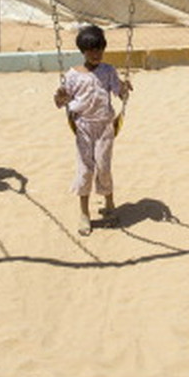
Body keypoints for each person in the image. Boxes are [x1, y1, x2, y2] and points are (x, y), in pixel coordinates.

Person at [54, 24, 131, 236]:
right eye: (91, 50)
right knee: (85, 170)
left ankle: (109, 204)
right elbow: (60, 101)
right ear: (83, 51)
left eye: (99, 49)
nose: (96, 54)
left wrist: (124, 89)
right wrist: (60, 97)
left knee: (104, 167)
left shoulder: (108, 71)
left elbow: (118, 91)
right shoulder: (72, 75)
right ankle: (84, 213)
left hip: (105, 126)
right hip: (84, 127)